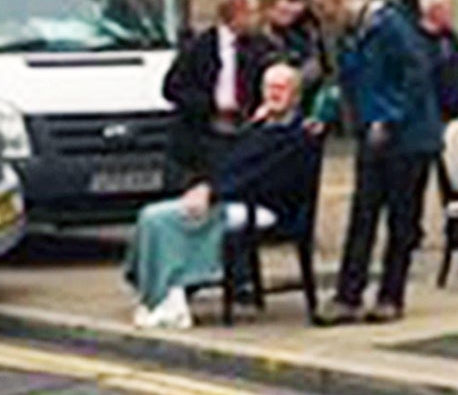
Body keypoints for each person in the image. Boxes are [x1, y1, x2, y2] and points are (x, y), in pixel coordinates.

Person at [124, 64, 322, 329]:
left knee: (166, 221)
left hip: (263, 206)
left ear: (296, 96)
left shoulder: (299, 134)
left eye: (282, 88)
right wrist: (252, 128)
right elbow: (227, 161)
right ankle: (158, 294)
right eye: (269, 87)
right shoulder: (260, 127)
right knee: (150, 216)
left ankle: (171, 295)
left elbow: (262, 176)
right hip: (231, 196)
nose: (274, 93)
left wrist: (213, 192)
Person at [311, 0, 444, 324]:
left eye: (326, 12)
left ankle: (391, 296)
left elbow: (416, 75)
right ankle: (347, 296)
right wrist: (326, 113)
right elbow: (346, 83)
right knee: (363, 215)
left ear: (340, 1)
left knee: (402, 220)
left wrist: (390, 117)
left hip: (409, 139)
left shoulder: (390, 26)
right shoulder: (352, 36)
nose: (326, 21)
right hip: (371, 136)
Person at [163, 0, 277, 190]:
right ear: (237, 13)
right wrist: (213, 105)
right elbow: (173, 89)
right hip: (206, 132)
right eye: (252, 12)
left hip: (246, 128)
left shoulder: (260, 45)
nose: (257, 19)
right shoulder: (199, 46)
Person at [416, 0, 458, 124]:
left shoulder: (452, 39)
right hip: (430, 116)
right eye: (448, 7)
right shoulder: (415, 40)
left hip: (455, 113)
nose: (452, 12)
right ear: (435, 10)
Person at [266, 0, 325, 99]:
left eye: (289, 13)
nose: (286, 18)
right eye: (282, 12)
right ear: (270, 11)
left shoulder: (298, 38)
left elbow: (314, 64)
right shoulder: (261, 39)